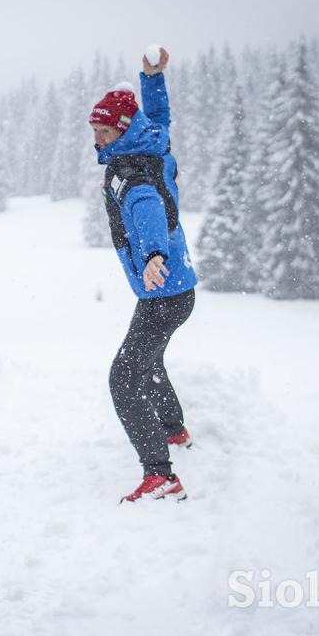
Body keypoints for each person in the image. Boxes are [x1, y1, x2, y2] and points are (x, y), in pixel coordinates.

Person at [89, 48, 199, 503]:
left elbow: (147, 206)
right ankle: (173, 431)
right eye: (93, 132)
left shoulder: (128, 171)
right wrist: (152, 79)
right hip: (174, 289)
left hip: (163, 288)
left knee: (123, 377)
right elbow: (157, 114)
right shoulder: (152, 141)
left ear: (120, 130)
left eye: (101, 132)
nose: (96, 141)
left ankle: (161, 476)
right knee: (147, 361)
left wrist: (153, 253)